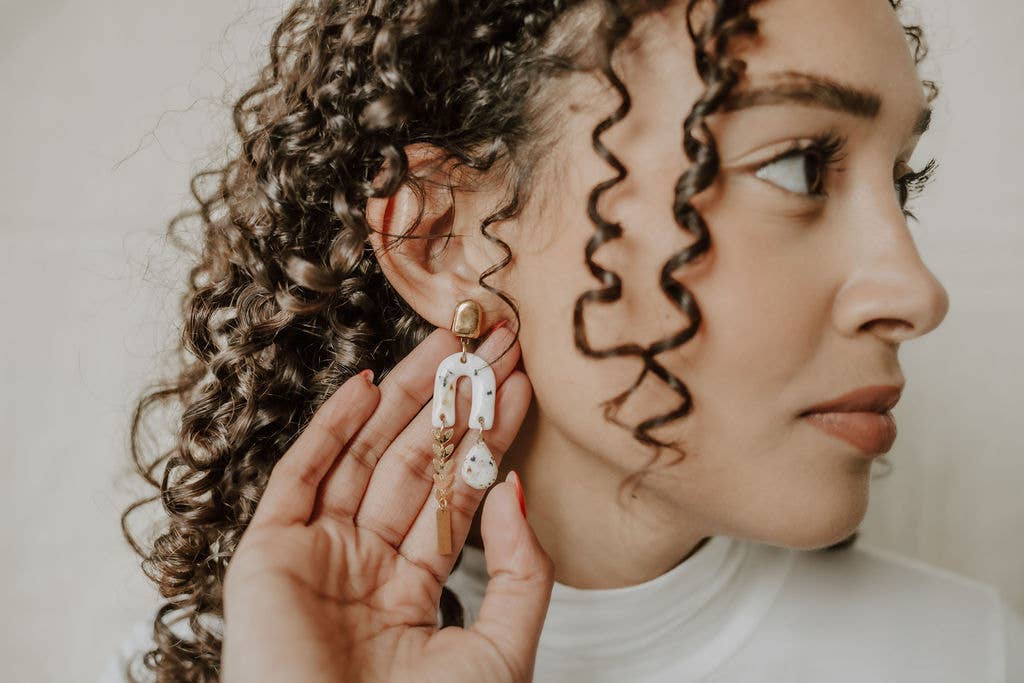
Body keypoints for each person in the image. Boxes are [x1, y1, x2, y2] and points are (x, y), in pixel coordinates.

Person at [107, 0, 1024, 681]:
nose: (914, 290)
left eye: (897, 180)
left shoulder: (965, 652)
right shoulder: (235, 659)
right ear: (445, 241)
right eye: (793, 164)